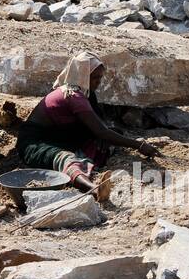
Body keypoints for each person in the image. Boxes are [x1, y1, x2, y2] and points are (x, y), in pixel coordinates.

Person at [15, 52, 160, 194]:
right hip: (35, 143)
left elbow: (99, 127)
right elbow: (101, 131)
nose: (98, 82)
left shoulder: (85, 93)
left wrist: (103, 136)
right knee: (68, 159)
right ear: (83, 76)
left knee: (107, 140)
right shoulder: (73, 96)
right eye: (94, 78)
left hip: (61, 138)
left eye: (100, 77)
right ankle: (92, 189)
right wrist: (138, 146)